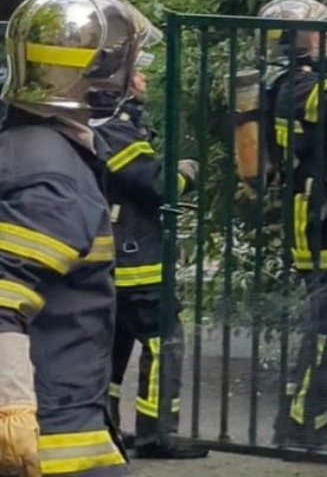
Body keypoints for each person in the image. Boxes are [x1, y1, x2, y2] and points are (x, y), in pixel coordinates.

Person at [0, 0, 149, 476]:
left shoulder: (24, 145)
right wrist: (11, 410)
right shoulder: (54, 177)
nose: (134, 79)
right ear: (99, 74)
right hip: (59, 444)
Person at [258, 0, 327, 450]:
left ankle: (298, 416)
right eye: (320, 30)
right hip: (320, 220)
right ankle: (303, 425)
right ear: (293, 42)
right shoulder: (292, 86)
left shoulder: (307, 78)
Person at [94, 61, 208, 460]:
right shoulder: (112, 127)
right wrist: (183, 174)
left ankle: (105, 428)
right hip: (135, 262)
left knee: (114, 346)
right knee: (165, 344)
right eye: (137, 73)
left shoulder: (105, 121)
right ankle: (156, 434)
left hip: (118, 257)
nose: (144, 80)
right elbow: (155, 184)